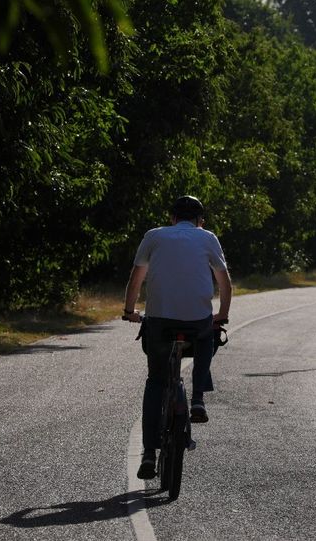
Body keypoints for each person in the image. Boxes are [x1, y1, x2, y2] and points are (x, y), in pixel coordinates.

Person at [122, 195, 232, 480]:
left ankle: (148, 453)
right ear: (200, 221)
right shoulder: (208, 237)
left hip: (159, 322)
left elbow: (137, 277)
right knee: (209, 334)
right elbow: (224, 282)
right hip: (197, 323)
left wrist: (129, 310)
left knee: (156, 381)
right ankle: (197, 399)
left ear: (171, 218)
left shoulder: (154, 236)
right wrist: (222, 315)